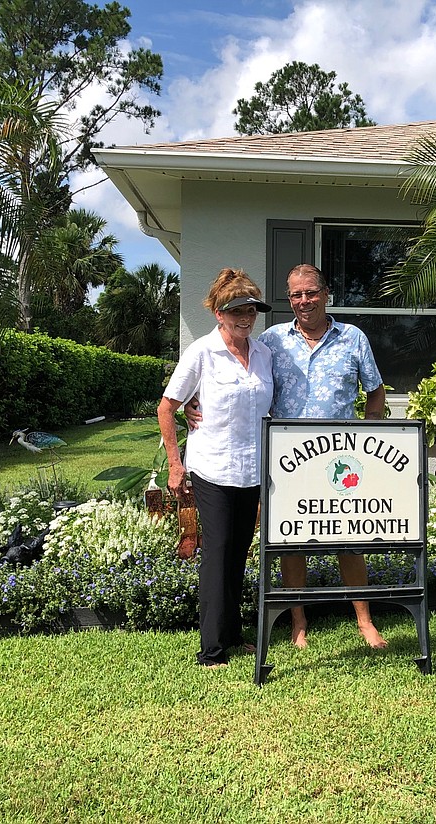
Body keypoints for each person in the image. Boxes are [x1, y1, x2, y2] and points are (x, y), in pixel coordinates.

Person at [258, 263, 388, 650]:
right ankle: (299, 622)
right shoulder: (271, 340)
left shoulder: (353, 337)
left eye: (310, 292)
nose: (303, 301)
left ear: (325, 293)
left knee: (349, 540)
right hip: (289, 458)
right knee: (291, 541)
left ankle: (364, 621)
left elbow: (375, 391)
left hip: (341, 460)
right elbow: (240, 373)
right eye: (296, 294)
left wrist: (367, 436)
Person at [158, 268, 274, 668]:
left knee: (238, 553)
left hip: (252, 470)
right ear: (218, 313)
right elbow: (167, 408)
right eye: (237, 310)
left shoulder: (263, 353)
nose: (245, 317)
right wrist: (176, 466)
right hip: (213, 468)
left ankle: (233, 633)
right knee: (218, 552)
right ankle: (211, 650)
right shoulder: (201, 353)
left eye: (252, 310)